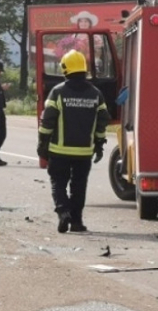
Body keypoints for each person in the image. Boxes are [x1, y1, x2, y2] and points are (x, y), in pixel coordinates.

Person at [37, 50, 109, 233]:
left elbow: (47, 121)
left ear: (65, 69)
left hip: (59, 150)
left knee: (58, 183)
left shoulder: (58, 92)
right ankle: (77, 222)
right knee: (79, 186)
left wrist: (42, 144)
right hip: (84, 152)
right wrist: (99, 144)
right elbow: (102, 121)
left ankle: (63, 212)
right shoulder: (95, 93)